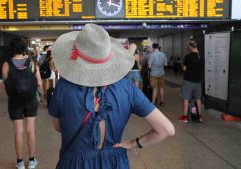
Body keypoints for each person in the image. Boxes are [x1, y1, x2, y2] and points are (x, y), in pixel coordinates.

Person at [48, 24, 175, 169]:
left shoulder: (63, 87)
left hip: (75, 162)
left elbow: (59, 128)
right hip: (115, 162)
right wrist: (134, 144)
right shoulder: (127, 88)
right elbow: (166, 129)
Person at [2, 38, 42, 169]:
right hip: (31, 100)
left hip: (14, 101)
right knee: (31, 131)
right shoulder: (32, 63)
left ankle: (19, 162)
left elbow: (6, 86)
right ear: (24, 48)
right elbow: (40, 83)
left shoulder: (6, 64)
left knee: (18, 132)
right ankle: (31, 161)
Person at [179, 41, 204, 123]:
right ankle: (200, 117)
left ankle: (185, 117)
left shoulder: (188, 56)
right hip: (198, 80)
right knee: (198, 98)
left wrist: (182, 65)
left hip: (188, 80)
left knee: (186, 98)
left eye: (188, 46)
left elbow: (184, 69)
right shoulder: (202, 56)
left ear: (190, 47)